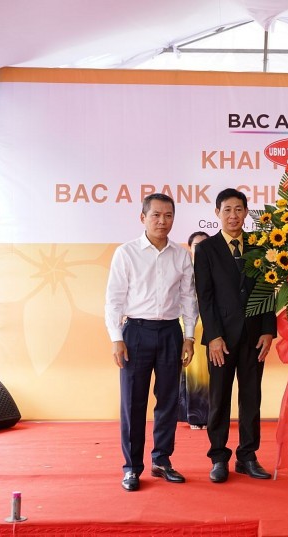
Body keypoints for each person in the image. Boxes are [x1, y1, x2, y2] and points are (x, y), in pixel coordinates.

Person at [105, 193, 198, 491]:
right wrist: (116, 338)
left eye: (168, 215)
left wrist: (189, 336)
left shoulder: (181, 255)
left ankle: (162, 460)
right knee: (133, 402)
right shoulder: (126, 253)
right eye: (156, 215)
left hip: (171, 332)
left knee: (168, 400)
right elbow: (114, 299)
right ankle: (132, 468)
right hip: (135, 332)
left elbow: (189, 299)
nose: (162, 221)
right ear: (142, 217)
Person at [194, 188, 276, 483]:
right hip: (222, 340)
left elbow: (268, 290)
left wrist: (268, 330)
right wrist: (213, 336)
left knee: (251, 397)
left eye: (238, 209)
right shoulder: (206, 249)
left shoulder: (260, 247)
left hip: (254, 337)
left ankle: (248, 456)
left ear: (246, 212)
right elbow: (205, 297)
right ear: (217, 213)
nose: (233, 215)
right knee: (219, 398)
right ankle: (218, 457)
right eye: (227, 209)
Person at [179, 231, 210, 429]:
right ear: (189, 248)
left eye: (205, 245)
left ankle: (208, 416)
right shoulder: (183, 268)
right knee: (190, 370)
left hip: (210, 325)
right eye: (197, 245)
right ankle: (192, 416)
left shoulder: (216, 267)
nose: (200, 249)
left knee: (208, 372)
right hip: (188, 324)